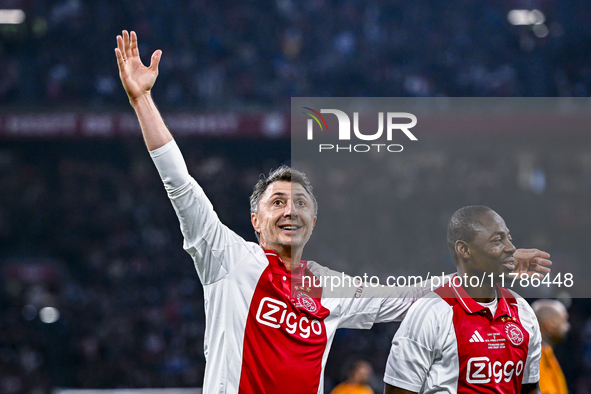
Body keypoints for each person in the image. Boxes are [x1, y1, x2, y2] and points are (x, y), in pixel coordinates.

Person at [114, 31, 552, 394]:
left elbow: (406, 297)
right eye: (278, 202)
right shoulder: (228, 259)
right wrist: (142, 102)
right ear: (255, 221)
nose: (290, 210)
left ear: (314, 223)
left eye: (301, 203)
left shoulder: (327, 286)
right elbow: (180, 184)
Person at [384, 206, 543, 393]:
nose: (511, 248)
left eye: (509, 238)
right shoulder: (430, 313)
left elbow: (530, 389)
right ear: (464, 250)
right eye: (498, 240)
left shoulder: (522, 311)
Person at [532, 299, 570, 394]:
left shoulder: (547, 352)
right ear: (549, 324)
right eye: (564, 321)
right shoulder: (534, 355)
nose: (568, 326)